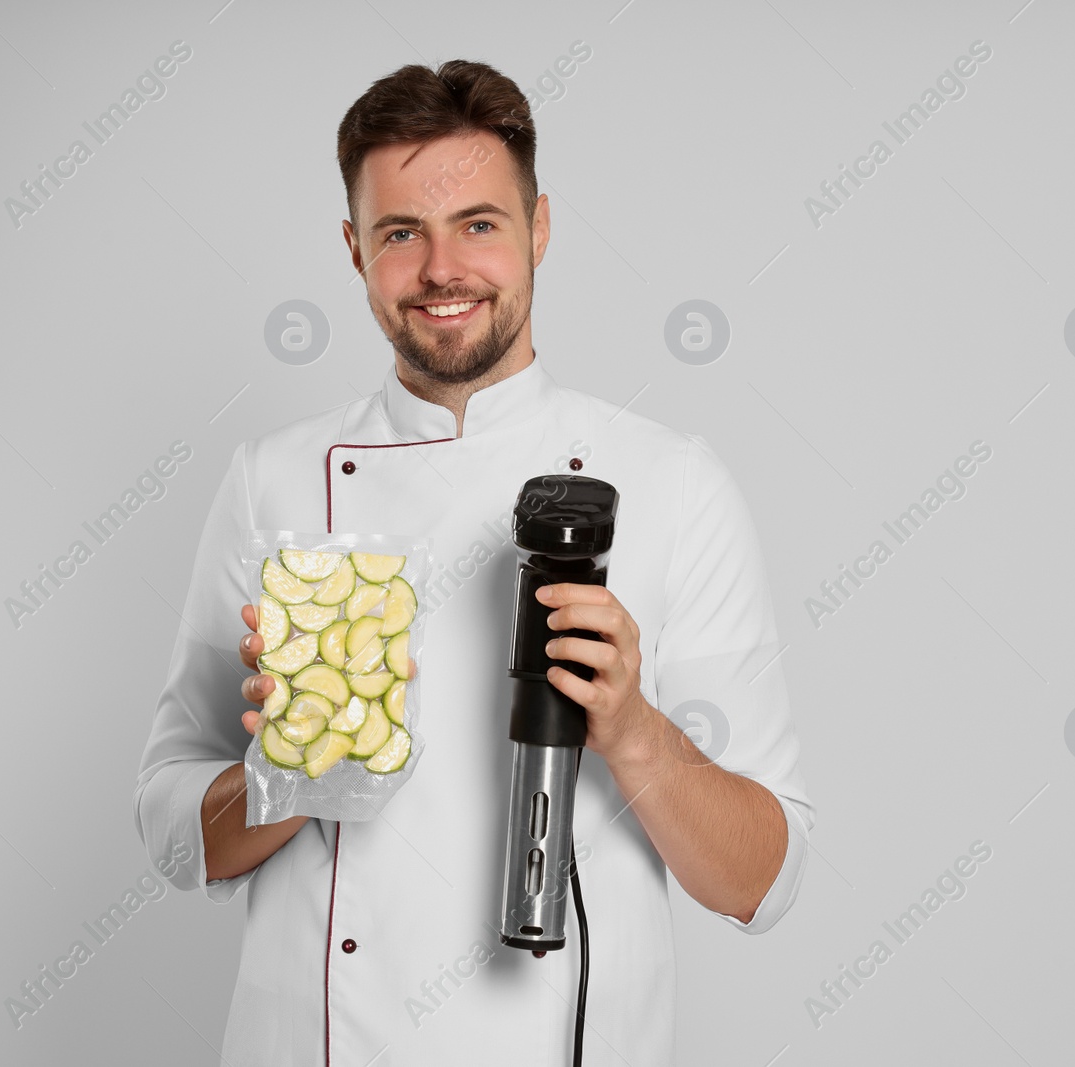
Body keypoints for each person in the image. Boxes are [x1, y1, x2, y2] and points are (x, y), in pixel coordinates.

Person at [134, 58, 813, 1065]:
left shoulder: (673, 483)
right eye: (401, 232)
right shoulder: (273, 482)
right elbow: (171, 830)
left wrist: (630, 727)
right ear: (353, 249)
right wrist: (293, 765)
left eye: (479, 224)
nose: (441, 269)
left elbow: (763, 876)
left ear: (539, 227)